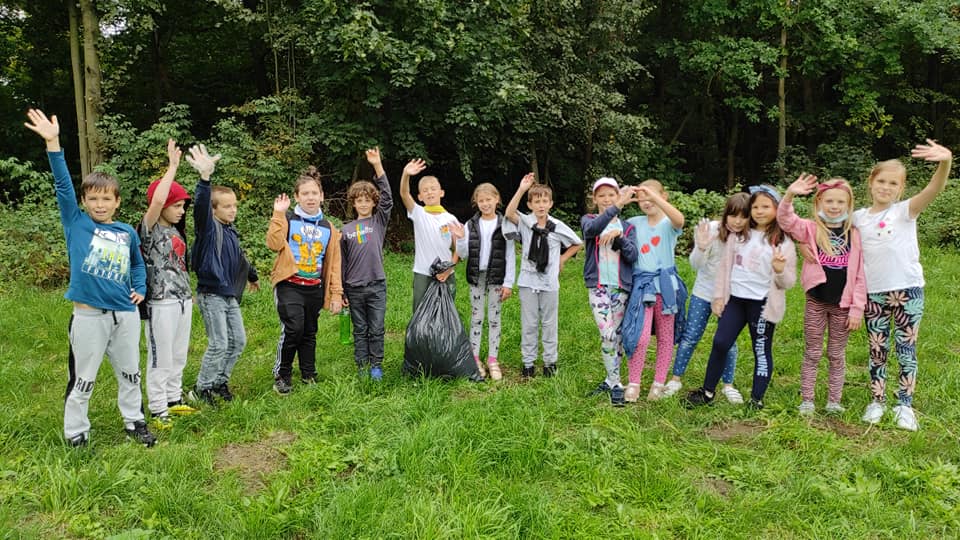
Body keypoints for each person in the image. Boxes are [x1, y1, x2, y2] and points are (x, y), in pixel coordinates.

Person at [24, 108, 156, 448]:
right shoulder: (77, 223)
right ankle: (76, 433)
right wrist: (53, 143)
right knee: (83, 379)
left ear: (117, 202)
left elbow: (137, 264)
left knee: (131, 373)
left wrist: (140, 288)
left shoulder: (127, 231)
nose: (99, 204)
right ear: (83, 201)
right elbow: (62, 185)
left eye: (106, 199)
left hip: (125, 314)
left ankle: (135, 422)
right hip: (88, 317)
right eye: (93, 199)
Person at [853, 140, 952, 431]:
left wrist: (945, 162)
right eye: (881, 181)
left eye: (893, 183)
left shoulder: (905, 211)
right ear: (871, 182)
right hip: (873, 294)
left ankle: (904, 405)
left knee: (906, 349)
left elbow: (934, 189)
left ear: (901, 188)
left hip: (908, 291)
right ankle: (877, 401)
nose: (886, 187)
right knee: (877, 348)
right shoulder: (858, 218)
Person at [685, 185, 796, 409]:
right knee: (720, 342)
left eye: (766, 207)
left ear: (777, 209)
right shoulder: (739, 237)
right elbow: (725, 269)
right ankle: (707, 391)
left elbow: (788, 282)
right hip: (735, 301)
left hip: (763, 305)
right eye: (755, 207)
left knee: (761, 350)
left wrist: (779, 270)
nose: (759, 211)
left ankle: (756, 399)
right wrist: (718, 297)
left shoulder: (783, 242)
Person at [778, 174, 866, 416]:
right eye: (829, 201)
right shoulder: (810, 228)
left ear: (849, 205)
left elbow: (861, 275)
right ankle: (807, 400)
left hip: (843, 306)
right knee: (813, 352)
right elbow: (785, 220)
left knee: (836, 354)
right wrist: (790, 194)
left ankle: (833, 401)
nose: (834, 206)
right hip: (816, 301)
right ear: (819, 203)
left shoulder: (855, 234)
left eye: (840, 202)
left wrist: (857, 308)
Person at [188, 144, 260, 406]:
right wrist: (205, 178)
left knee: (238, 341)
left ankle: (219, 381)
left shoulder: (230, 231)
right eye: (227, 207)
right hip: (211, 294)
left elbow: (238, 257)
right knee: (219, 343)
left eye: (234, 206)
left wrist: (252, 276)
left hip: (229, 294)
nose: (232, 210)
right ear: (214, 210)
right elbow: (200, 207)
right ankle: (201, 389)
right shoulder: (208, 229)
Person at [665, 193, 750, 403]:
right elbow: (696, 265)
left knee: (728, 342)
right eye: (733, 216)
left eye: (743, 217)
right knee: (690, 336)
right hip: (703, 293)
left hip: (732, 297)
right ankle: (675, 379)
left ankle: (728, 385)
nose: (737, 221)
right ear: (725, 214)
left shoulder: (751, 238)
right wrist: (701, 247)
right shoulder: (710, 230)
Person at [267, 166, 343, 394]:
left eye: (314, 193)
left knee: (309, 331)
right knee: (294, 328)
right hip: (290, 285)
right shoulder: (288, 219)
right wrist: (278, 214)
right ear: (297, 197)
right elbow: (273, 244)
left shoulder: (329, 228)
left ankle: (308, 374)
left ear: (322, 196)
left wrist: (336, 293)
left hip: (314, 288)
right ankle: (282, 374)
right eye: (305, 194)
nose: (310, 198)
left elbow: (335, 264)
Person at [140, 139, 198, 428]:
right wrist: (173, 167)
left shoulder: (176, 231)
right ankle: (158, 408)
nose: (181, 210)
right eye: (176, 205)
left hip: (182, 300)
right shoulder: (148, 229)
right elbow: (157, 201)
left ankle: (174, 399)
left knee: (178, 353)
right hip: (160, 302)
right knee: (160, 355)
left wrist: (188, 294)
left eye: (183, 206)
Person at [504, 173, 583, 378]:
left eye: (545, 201)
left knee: (549, 323)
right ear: (530, 205)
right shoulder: (525, 222)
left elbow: (577, 243)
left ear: (551, 204)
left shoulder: (557, 226)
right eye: (537, 201)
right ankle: (528, 363)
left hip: (549, 282)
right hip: (527, 282)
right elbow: (509, 212)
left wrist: (562, 259)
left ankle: (550, 362)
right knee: (529, 323)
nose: (541, 205)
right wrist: (522, 189)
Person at [622, 179, 686, 402]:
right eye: (641, 199)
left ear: (662, 196)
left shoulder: (669, 224)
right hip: (642, 287)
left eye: (650, 197)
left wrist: (654, 196)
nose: (646, 202)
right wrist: (622, 199)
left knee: (665, 337)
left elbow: (680, 220)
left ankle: (658, 382)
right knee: (639, 335)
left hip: (666, 288)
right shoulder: (633, 223)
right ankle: (634, 382)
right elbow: (611, 224)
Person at [581, 178, 638, 406]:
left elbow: (632, 256)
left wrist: (618, 237)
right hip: (598, 287)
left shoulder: (628, 227)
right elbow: (592, 230)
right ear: (594, 199)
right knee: (607, 334)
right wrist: (617, 206)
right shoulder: (589, 220)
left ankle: (610, 378)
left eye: (611, 195)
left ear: (617, 195)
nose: (606, 200)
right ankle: (616, 384)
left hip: (620, 287)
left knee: (618, 336)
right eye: (602, 196)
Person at [454, 183, 516, 381]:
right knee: (477, 317)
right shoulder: (470, 225)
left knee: (494, 319)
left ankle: (492, 359)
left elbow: (510, 254)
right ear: (476, 203)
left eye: (489, 199)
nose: (485, 204)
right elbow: (463, 254)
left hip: (497, 277)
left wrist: (508, 283)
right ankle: (474, 359)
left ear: (497, 200)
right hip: (476, 277)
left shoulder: (505, 224)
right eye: (481, 200)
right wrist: (460, 239)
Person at [340, 148, 392, 381]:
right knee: (360, 329)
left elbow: (388, 197)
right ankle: (362, 365)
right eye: (359, 200)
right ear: (353, 203)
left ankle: (376, 365)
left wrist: (377, 166)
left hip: (376, 286)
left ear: (373, 203)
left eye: (367, 200)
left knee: (377, 328)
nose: (363, 204)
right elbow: (342, 263)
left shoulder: (379, 221)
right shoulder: (346, 230)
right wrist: (342, 290)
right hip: (354, 288)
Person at [398, 159, 462, 313]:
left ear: (441, 192)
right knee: (421, 314)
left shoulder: (451, 219)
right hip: (423, 273)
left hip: (446, 273)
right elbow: (404, 194)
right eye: (425, 190)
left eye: (433, 189)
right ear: (420, 196)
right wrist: (406, 174)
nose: (430, 192)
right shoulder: (418, 213)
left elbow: (459, 249)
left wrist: (448, 269)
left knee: (445, 313)